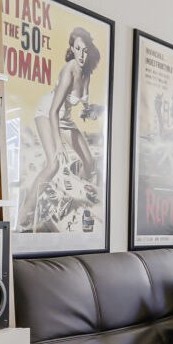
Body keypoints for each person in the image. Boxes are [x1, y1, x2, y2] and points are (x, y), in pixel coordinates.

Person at [17, 26, 101, 231]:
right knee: (53, 163)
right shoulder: (68, 72)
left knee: (89, 161)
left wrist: (91, 110)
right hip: (47, 113)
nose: (82, 54)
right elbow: (54, 111)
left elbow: (82, 103)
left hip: (65, 118)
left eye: (85, 49)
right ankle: (22, 216)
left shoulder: (87, 71)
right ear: (72, 49)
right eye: (77, 49)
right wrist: (59, 146)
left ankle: (70, 197)